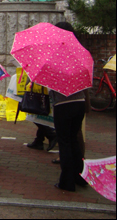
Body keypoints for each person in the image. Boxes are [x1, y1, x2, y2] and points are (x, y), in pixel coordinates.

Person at [51, 21, 90, 192]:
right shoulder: (79, 52)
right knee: (73, 140)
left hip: (62, 103)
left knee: (64, 142)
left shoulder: (54, 54)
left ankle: (66, 182)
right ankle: (80, 176)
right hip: (79, 102)